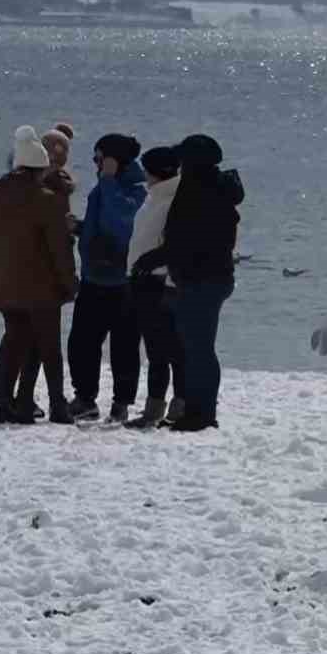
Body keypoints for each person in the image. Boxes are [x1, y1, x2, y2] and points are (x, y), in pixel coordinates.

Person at [132, 134, 243, 432]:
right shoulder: (210, 188)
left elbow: (188, 240)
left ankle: (201, 413)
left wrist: (152, 259)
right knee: (197, 348)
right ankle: (197, 409)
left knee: (198, 349)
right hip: (208, 277)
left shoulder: (201, 191)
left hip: (202, 279)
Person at [0, 126, 77, 425]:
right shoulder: (47, 201)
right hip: (41, 286)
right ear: (39, 168)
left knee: (13, 341)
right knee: (49, 346)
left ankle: (2, 403)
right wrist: (70, 284)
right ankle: (57, 406)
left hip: (5, 282)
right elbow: (59, 251)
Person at [67, 134, 148, 422]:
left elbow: (122, 219)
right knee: (81, 344)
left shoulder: (137, 190)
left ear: (114, 160)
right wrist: (79, 227)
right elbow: (101, 225)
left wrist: (110, 180)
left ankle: (121, 403)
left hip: (123, 281)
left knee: (124, 347)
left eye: (99, 157)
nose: (95, 163)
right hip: (94, 277)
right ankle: (85, 399)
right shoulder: (104, 186)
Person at [125, 146, 184, 429]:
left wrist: (154, 267)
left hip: (158, 281)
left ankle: (171, 407)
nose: (143, 173)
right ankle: (156, 407)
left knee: (167, 350)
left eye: (146, 168)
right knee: (156, 348)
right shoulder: (156, 196)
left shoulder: (172, 199)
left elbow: (169, 244)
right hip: (143, 279)